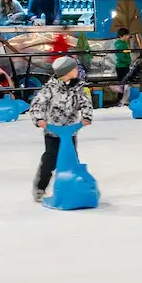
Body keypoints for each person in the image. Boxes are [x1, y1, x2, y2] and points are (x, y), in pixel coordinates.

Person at [27, 54, 92, 201]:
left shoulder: (78, 87)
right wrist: (39, 119)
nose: (77, 70)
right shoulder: (50, 88)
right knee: (50, 159)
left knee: (72, 158)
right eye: (74, 68)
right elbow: (37, 104)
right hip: (53, 131)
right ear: (66, 72)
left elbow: (85, 102)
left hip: (70, 130)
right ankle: (40, 187)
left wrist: (86, 116)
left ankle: (73, 185)